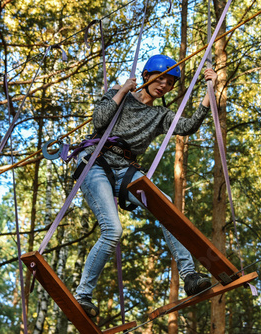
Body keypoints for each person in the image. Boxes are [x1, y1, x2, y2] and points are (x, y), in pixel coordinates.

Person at [74, 54, 218, 317]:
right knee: (112, 230)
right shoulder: (121, 94)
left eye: (169, 82)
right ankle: (82, 296)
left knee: (166, 209)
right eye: (159, 78)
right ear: (145, 77)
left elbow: (188, 126)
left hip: (125, 170)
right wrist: (120, 92)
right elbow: (99, 121)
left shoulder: (160, 115)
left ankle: (189, 276)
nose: (163, 85)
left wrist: (210, 90)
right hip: (96, 162)